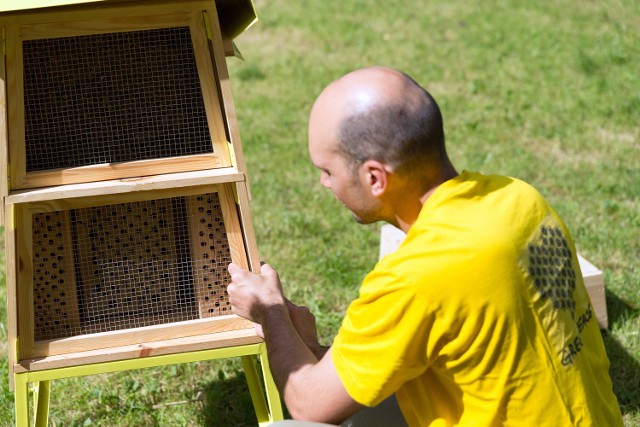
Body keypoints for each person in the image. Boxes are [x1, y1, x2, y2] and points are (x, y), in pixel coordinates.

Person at [227, 66, 622, 426]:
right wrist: (311, 348)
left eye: (327, 171)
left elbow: (309, 406)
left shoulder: (415, 277)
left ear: (375, 178)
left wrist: (271, 314)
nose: (324, 184)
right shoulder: (519, 198)